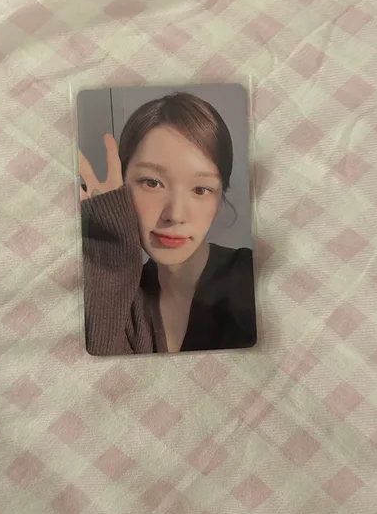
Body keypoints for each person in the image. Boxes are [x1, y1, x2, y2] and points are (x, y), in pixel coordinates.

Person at [79, 91, 257, 355]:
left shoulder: (254, 277)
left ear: (220, 197)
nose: (175, 214)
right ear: (122, 188)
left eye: (200, 189)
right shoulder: (120, 292)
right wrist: (106, 249)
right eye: (152, 183)